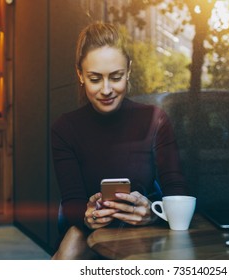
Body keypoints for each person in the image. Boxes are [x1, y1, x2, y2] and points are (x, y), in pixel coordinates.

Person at [51, 22, 188, 259]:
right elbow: (72, 202)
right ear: (80, 75)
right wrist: (87, 216)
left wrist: (153, 214)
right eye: (95, 79)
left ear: (129, 71)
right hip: (87, 231)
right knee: (72, 243)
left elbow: (176, 189)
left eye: (116, 77)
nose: (106, 90)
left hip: (143, 229)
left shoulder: (155, 120)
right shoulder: (65, 128)